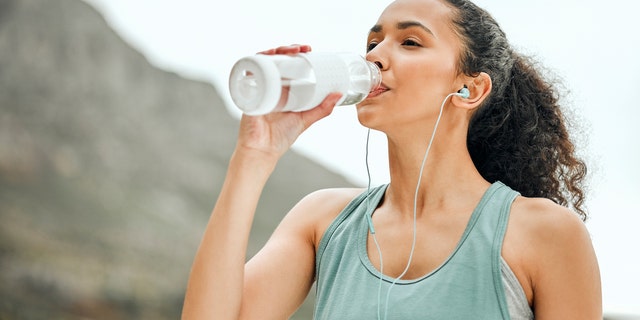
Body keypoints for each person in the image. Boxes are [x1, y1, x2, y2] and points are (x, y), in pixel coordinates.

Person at [181, 0, 602, 318]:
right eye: (373, 42)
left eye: (410, 42)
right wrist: (253, 156)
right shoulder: (323, 221)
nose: (375, 57)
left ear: (469, 89)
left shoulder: (545, 234)